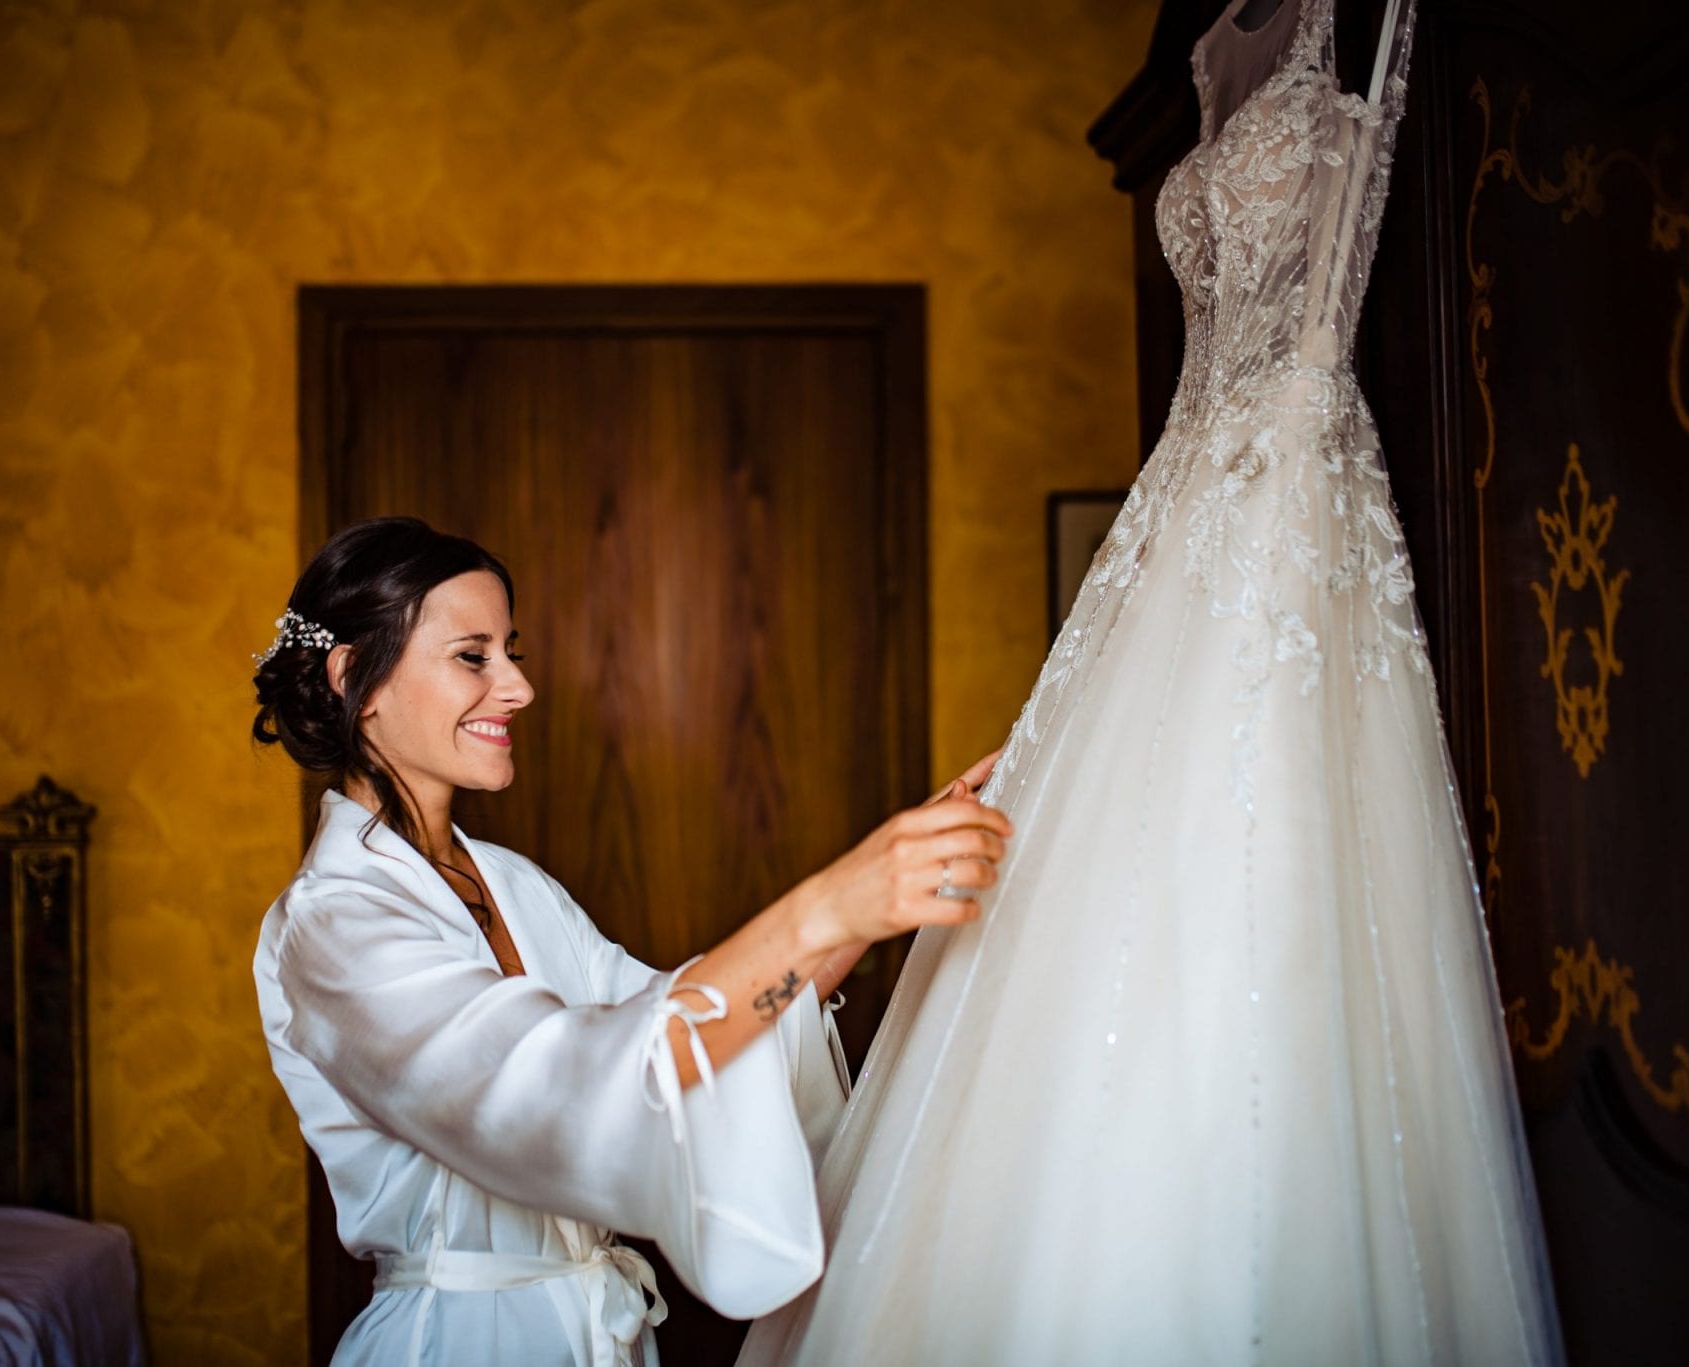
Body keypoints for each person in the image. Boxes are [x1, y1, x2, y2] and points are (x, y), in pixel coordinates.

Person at [739, 1, 1566, 1363]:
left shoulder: (1358, 22)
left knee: (1268, 875)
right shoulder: (1204, 44)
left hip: (1297, 483)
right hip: (1173, 516)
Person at [250, 516, 1008, 1367]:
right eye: (473, 655)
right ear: (357, 676)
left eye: (512, 650)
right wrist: (827, 906)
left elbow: (677, 1032)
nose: (519, 687)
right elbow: (558, 1083)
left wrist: (875, 909)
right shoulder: (331, 925)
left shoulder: (514, 882)